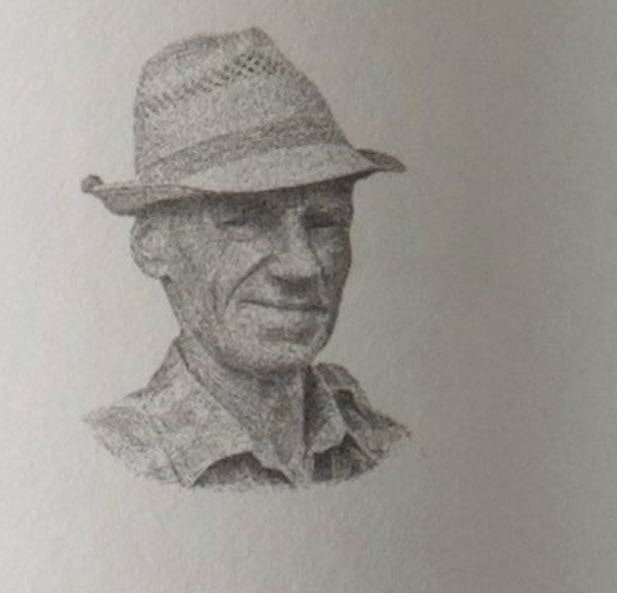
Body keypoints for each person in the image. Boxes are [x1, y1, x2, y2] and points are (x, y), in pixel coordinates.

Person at [82, 27, 408, 489]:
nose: (303, 266)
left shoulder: (378, 442)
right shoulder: (118, 457)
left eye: (326, 221)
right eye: (246, 220)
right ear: (152, 244)